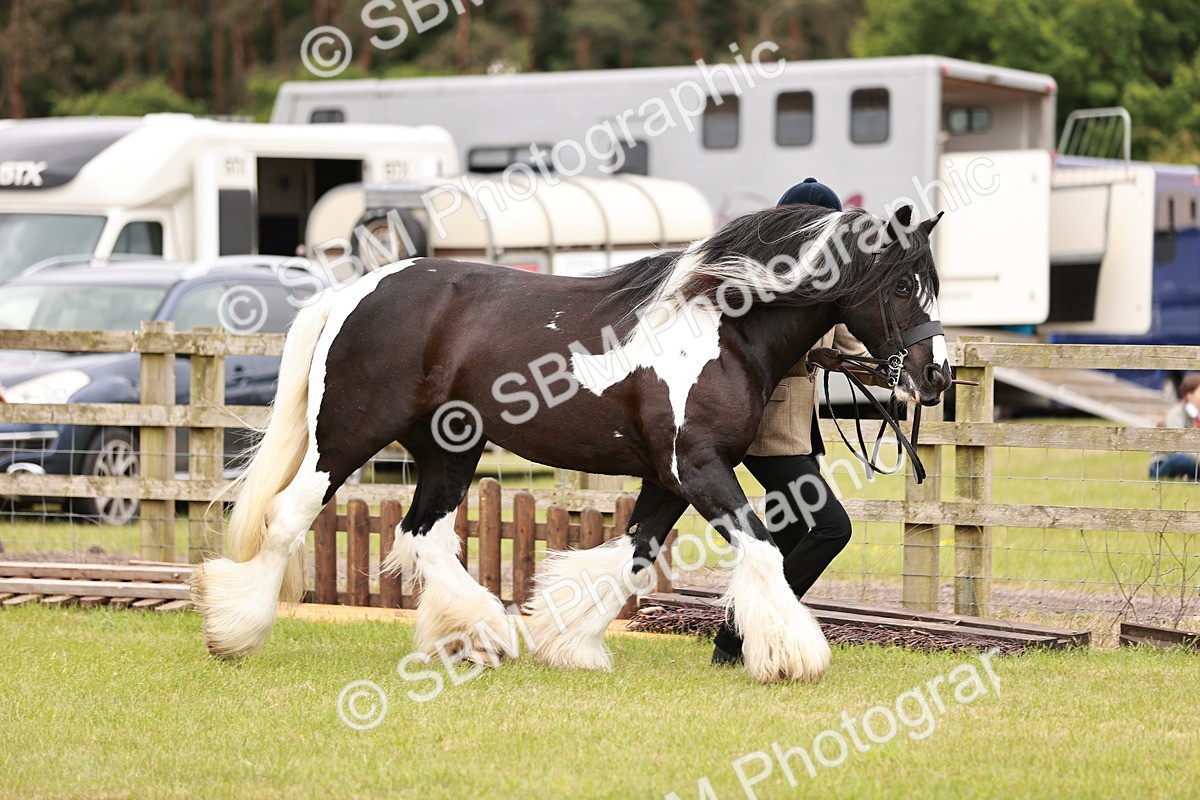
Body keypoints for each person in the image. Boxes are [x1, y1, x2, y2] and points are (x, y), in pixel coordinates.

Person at [713, 178, 882, 665]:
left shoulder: (833, 280)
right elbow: (756, 352)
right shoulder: (769, 277)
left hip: (797, 431)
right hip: (765, 429)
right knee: (832, 528)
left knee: (787, 535)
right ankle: (767, 628)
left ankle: (731, 640)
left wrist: (903, 373)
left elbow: (857, 345)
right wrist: (812, 352)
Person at [1149, 372, 1200, 481]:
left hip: (1194, 459)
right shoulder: (1176, 414)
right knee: (1180, 460)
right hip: (1163, 464)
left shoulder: (1198, 415)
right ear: (1189, 395)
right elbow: (1180, 447)